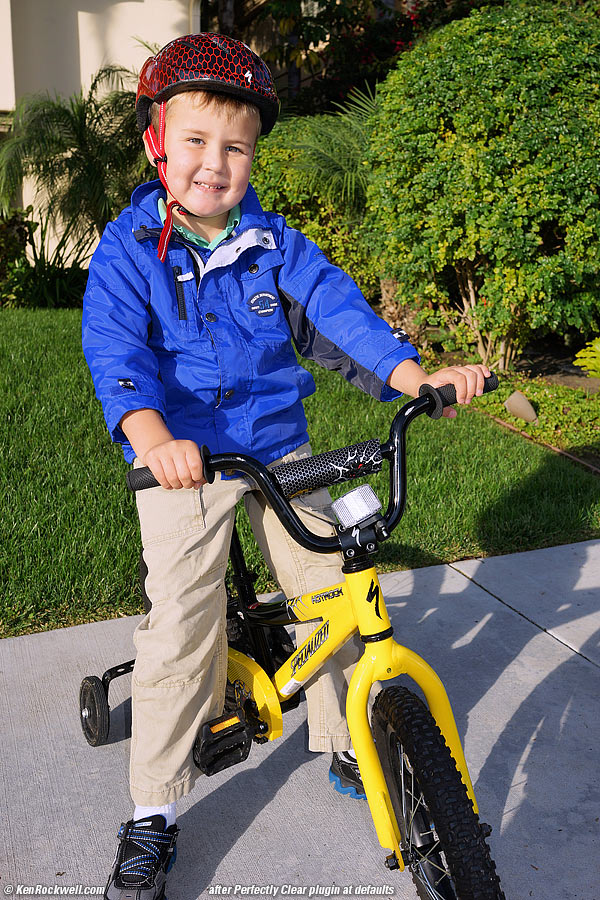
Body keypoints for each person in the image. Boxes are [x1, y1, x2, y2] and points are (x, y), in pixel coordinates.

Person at [82, 32, 491, 900]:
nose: (214, 163)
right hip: (184, 461)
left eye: (235, 148)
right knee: (183, 625)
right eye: (196, 141)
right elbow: (117, 353)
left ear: (253, 157)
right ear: (158, 143)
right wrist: (152, 437)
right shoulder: (127, 251)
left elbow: (341, 316)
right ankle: (152, 810)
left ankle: (350, 740)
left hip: (276, 445)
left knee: (332, 584)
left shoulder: (275, 244)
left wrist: (414, 377)